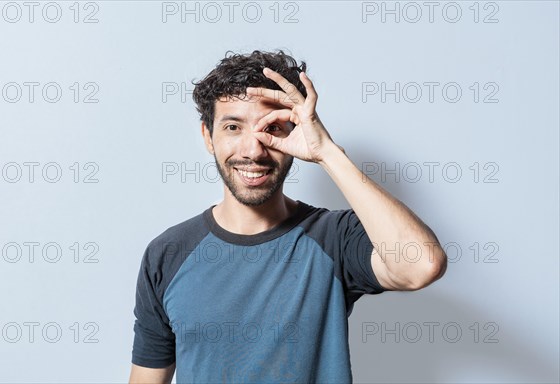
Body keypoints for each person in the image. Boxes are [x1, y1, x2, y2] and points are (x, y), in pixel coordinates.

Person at [128, 49, 447, 383]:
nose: (253, 150)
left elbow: (421, 265)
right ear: (209, 136)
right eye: (233, 127)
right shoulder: (168, 253)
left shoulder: (332, 238)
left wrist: (326, 152)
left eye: (273, 128)